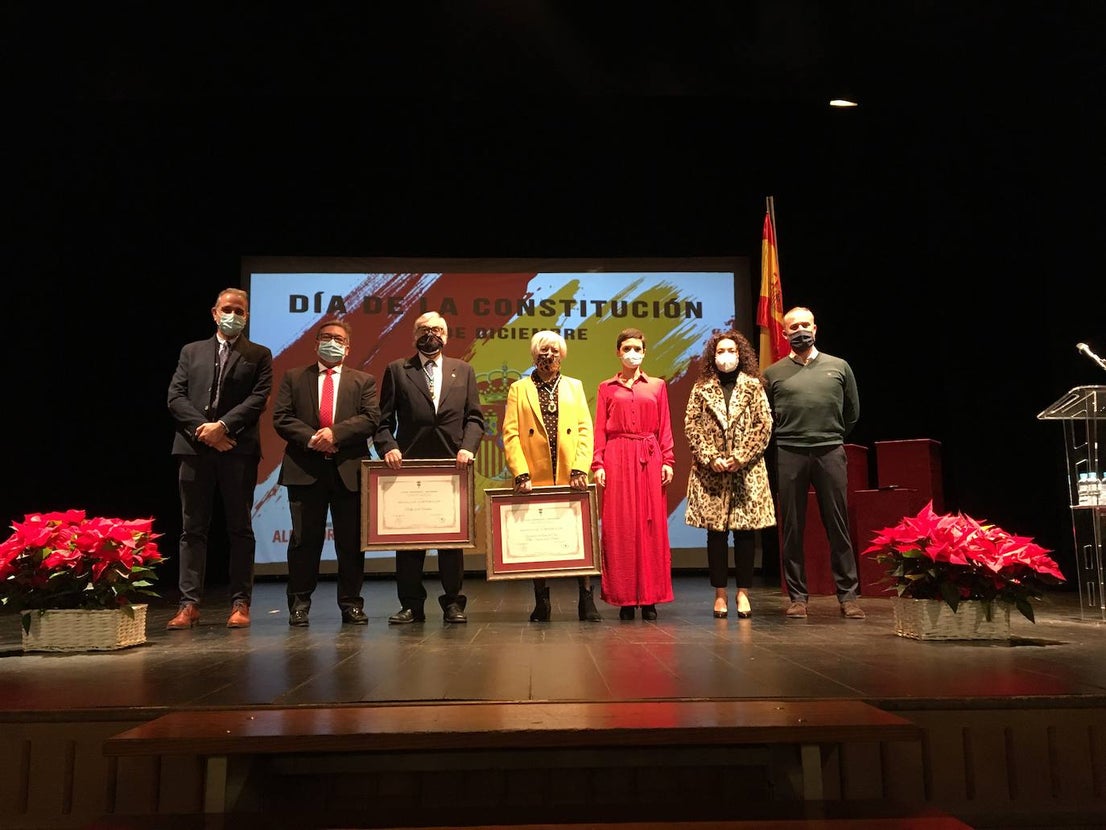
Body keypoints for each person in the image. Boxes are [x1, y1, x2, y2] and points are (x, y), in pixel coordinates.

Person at [166, 287, 273, 629]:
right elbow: (175, 396)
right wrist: (205, 429)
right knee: (192, 529)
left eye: (240, 311)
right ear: (214, 312)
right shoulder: (191, 351)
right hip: (193, 449)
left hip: (237, 450)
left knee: (239, 528)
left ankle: (240, 603)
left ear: (247, 316)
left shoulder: (259, 354)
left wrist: (224, 427)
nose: (233, 315)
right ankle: (188, 605)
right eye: (228, 309)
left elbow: (258, 399)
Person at [374, 311, 485, 625]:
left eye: (437, 329)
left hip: (453, 466)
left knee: (452, 542)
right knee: (409, 543)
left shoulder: (463, 370)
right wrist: (389, 447)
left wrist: (467, 447)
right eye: (424, 329)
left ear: (446, 337)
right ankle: (411, 605)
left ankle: (453, 602)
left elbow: (475, 419)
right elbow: (383, 423)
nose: (430, 334)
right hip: (409, 469)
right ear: (414, 336)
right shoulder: (397, 370)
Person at [272, 318, 380, 626]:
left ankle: (351, 604)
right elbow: (281, 418)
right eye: (326, 337)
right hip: (305, 469)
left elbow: (371, 418)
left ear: (347, 348)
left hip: (348, 471)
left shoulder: (364, 381)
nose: (332, 342)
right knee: (304, 541)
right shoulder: (294, 377)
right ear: (315, 343)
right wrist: (313, 439)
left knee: (350, 542)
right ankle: (299, 604)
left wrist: (334, 435)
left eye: (338, 339)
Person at [762, 307, 864, 620]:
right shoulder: (773, 373)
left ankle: (848, 597)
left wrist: (830, 436)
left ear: (815, 328)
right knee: (792, 528)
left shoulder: (839, 366)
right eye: (794, 326)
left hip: (830, 452)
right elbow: (766, 418)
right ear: (784, 333)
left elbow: (852, 413)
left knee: (838, 526)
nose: (800, 330)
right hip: (790, 453)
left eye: (805, 325)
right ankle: (797, 598)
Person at [502, 330, 601, 622]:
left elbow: (585, 429)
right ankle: (541, 602)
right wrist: (520, 473)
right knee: (539, 541)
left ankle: (586, 599)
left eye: (555, 350)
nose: (550, 356)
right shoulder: (518, 389)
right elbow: (510, 434)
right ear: (534, 355)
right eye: (544, 350)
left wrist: (581, 467)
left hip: (572, 474)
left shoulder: (575, 387)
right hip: (535, 476)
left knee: (579, 537)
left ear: (563, 354)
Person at [683, 330, 776, 619]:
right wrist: (711, 457)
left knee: (746, 534)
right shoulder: (702, 388)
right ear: (713, 356)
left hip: (746, 472)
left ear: (740, 355)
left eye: (731, 351)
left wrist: (740, 456)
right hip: (712, 475)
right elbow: (691, 426)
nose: (726, 356)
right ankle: (720, 594)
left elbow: (764, 424)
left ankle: (744, 593)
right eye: (721, 351)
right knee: (716, 536)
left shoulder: (754, 386)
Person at [591, 328, 674, 621]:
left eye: (637, 347)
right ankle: (625, 598)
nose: (632, 352)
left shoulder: (657, 385)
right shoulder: (606, 387)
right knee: (620, 527)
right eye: (626, 347)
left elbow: (664, 425)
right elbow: (600, 428)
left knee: (651, 527)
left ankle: (650, 598)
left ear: (644, 351)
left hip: (649, 456)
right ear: (618, 351)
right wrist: (598, 464)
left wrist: (668, 460)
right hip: (618, 456)